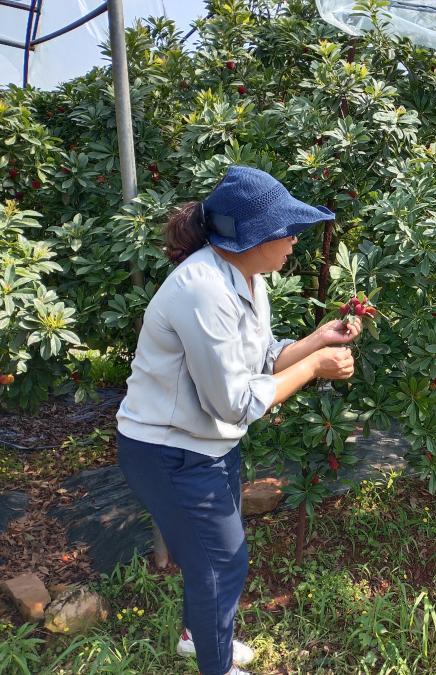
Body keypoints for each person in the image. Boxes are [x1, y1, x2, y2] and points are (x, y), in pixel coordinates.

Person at [116, 166, 361, 675]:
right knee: (221, 561)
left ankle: (195, 635)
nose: (294, 238)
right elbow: (234, 401)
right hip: (168, 452)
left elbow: (261, 359)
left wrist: (315, 342)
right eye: (285, 229)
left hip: (208, 445)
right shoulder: (202, 289)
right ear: (250, 237)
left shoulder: (246, 278)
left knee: (216, 558)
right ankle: (216, 665)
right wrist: (315, 368)